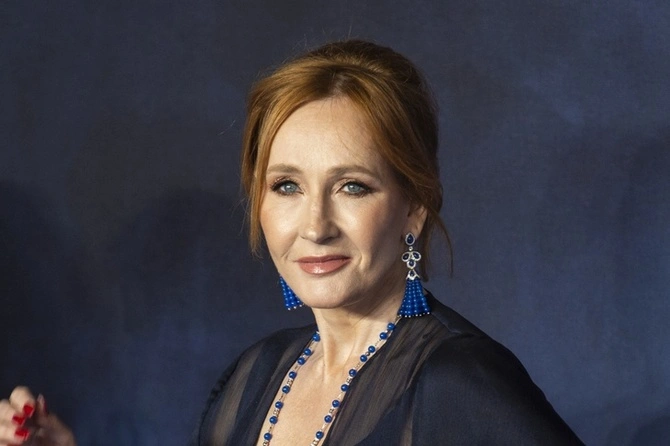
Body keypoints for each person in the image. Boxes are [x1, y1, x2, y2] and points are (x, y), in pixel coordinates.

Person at [0, 40, 584, 446]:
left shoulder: (458, 382)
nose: (315, 225)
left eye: (352, 186)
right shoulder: (256, 375)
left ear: (413, 207)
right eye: (286, 186)